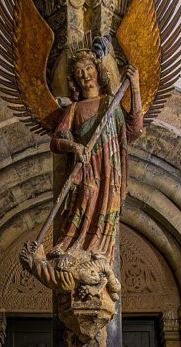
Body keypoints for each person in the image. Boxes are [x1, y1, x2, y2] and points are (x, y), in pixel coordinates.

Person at [50, 50, 142, 261]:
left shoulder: (111, 103)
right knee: (83, 203)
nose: (85, 75)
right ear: (74, 79)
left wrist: (135, 87)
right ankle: (73, 246)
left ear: (98, 71)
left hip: (110, 170)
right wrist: (75, 147)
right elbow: (56, 142)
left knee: (106, 209)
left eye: (89, 68)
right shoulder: (74, 109)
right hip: (86, 169)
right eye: (79, 71)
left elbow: (134, 130)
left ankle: (99, 254)